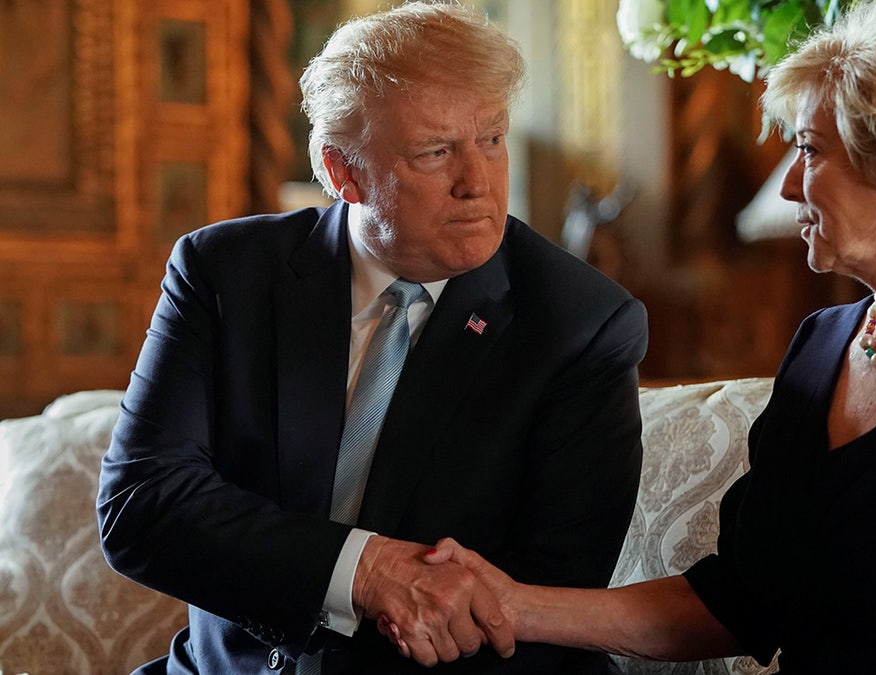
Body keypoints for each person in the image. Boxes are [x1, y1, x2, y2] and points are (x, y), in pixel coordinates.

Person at [407, 0, 876, 672]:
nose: (788, 187)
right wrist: (509, 601)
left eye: (810, 152)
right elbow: (735, 602)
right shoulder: (821, 347)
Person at [96, 3, 647, 674]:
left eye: (493, 139)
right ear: (341, 171)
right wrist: (364, 569)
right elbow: (141, 504)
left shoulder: (579, 323)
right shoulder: (225, 274)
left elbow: (548, 605)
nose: (478, 182)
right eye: (436, 151)